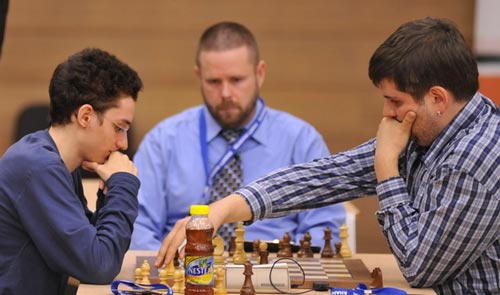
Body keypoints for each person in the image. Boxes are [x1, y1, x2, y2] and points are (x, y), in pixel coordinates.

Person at [156, 18, 500, 295]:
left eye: (395, 101)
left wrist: (386, 171)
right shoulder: (435, 127)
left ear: (438, 99)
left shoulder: (475, 161)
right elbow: (326, 177)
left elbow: (419, 267)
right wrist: (226, 207)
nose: (386, 113)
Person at [130, 21, 345, 250]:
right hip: (184, 276)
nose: (225, 94)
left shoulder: (301, 141)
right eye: (213, 82)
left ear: (259, 73)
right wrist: (169, 271)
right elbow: (138, 228)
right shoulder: (163, 141)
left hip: (271, 275)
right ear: (198, 77)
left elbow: (323, 230)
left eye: (236, 80)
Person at [0, 48, 143, 294]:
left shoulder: (55, 160)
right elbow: (99, 266)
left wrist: (110, 193)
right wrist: (123, 185)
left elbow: (91, 246)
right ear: (86, 116)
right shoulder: (38, 167)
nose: (123, 145)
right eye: (119, 128)